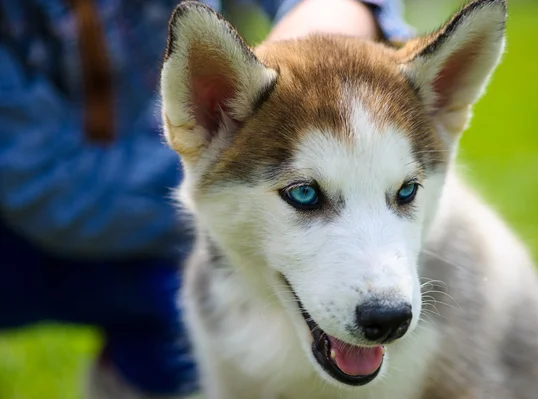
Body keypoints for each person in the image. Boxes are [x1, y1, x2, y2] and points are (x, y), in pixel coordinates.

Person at [0, 0, 413, 398]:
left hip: (154, 207)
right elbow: (47, 186)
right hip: (16, 232)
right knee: (203, 282)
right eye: (304, 193)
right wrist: (236, 149)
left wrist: (322, 43)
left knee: (187, 297)